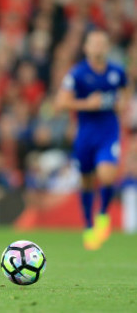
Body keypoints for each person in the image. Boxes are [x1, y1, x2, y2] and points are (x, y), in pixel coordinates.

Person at [55, 30, 130, 250]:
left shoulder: (117, 71)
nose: (98, 47)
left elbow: (125, 93)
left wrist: (122, 103)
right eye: (94, 43)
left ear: (107, 47)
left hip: (108, 131)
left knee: (107, 175)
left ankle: (103, 214)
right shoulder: (77, 74)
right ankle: (88, 225)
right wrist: (88, 104)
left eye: (102, 43)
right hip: (85, 134)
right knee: (87, 180)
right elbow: (61, 103)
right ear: (86, 48)